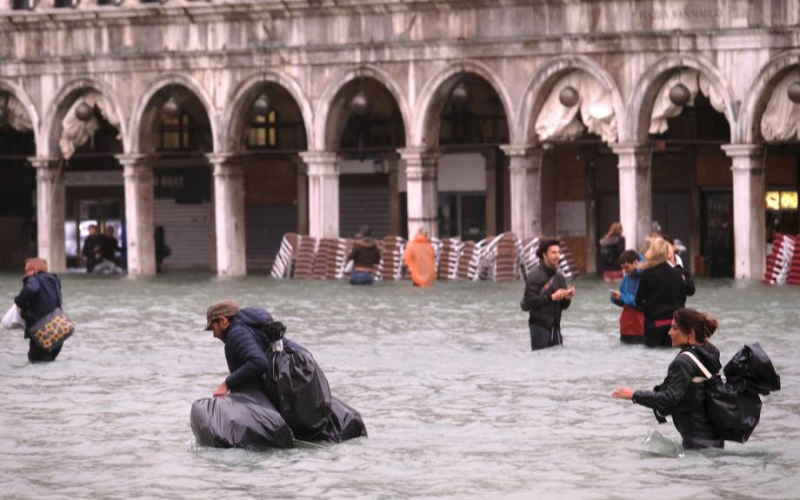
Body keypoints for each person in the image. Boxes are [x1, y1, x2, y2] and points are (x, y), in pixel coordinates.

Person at [612, 308, 724, 450]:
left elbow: (668, 399)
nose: (669, 332)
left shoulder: (684, 362)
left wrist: (634, 395)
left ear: (691, 333)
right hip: (713, 439)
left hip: (697, 443)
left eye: (674, 328)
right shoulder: (708, 353)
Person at [205, 300, 307, 397]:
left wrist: (227, 384)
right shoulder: (253, 327)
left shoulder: (236, 333)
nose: (214, 335)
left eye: (213, 328)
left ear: (223, 321)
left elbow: (259, 362)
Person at [520, 238, 575, 350]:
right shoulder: (534, 275)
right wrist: (552, 297)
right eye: (553, 252)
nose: (557, 256)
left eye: (559, 252)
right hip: (539, 326)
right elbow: (530, 302)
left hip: (556, 326)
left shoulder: (560, 277)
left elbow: (563, 306)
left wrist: (567, 298)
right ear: (544, 255)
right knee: (541, 361)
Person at [635, 238, 689, 348]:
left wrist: (646, 309)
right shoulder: (677, 273)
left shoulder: (647, 274)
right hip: (673, 324)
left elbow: (638, 300)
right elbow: (683, 298)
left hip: (653, 323)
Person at [13, 258, 65, 362]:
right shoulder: (54, 280)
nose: (26, 274)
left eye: (27, 271)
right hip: (58, 332)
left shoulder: (34, 278)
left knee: (35, 362)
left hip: (41, 333)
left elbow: (31, 289)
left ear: (35, 270)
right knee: (49, 362)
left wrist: (18, 301)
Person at [610, 249, 644, 344]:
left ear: (635, 263)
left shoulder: (645, 277)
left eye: (626, 267)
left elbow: (641, 301)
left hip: (640, 325)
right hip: (626, 325)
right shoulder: (626, 279)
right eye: (623, 268)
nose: (625, 271)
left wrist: (623, 297)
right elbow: (623, 300)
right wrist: (617, 297)